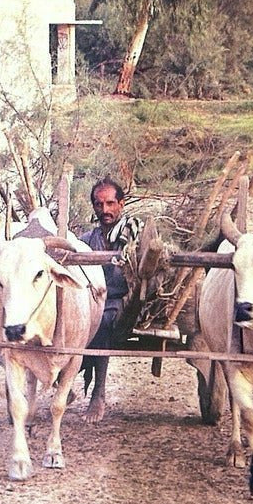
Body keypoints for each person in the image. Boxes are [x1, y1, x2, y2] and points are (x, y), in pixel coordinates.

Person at [79, 177, 142, 423]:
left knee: (102, 321)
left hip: (121, 300)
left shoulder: (132, 234)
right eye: (99, 204)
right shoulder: (86, 240)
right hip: (91, 299)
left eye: (110, 203)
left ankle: (99, 393)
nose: (104, 210)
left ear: (121, 204)